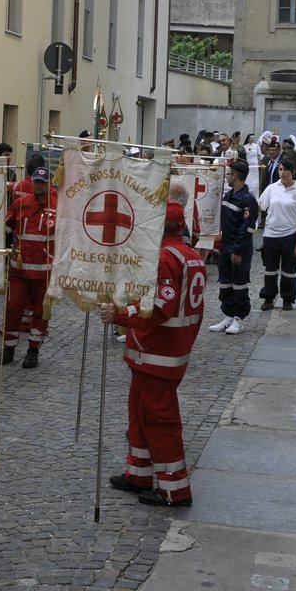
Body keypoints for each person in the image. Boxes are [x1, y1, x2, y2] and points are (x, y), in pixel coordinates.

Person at [99, 202, 206, 507]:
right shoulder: (191, 255)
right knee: (140, 414)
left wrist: (120, 314)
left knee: (160, 422)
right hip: (164, 351)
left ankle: (175, 489)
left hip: (156, 353)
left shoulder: (163, 258)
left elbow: (160, 306)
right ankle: (139, 473)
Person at [0, 166, 56, 369]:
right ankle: (8, 347)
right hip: (19, 270)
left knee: (41, 312)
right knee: (13, 308)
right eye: (36, 182)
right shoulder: (20, 204)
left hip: (44, 271)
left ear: (49, 183)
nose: (39, 185)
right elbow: (4, 228)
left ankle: (33, 350)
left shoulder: (59, 207)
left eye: (43, 182)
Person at [207, 159, 259, 334]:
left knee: (239, 283)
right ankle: (228, 315)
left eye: (229, 174)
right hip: (225, 246)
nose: (227, 177)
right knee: (225, 283)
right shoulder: (228, 196)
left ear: (235, 176)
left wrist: (238, 250)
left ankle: (239, 319)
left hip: (239, 249)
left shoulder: (248, 199)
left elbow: (247, 227)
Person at [256, 157, 296, 311]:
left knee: (289, 271)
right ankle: (269, 297)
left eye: (285, 169)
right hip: (271, 234)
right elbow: (260, 206)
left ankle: (288, 298)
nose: (282, 172)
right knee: (270, 269)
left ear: (291, 172)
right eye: (280, 169)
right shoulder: (272, 188)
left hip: (290, 235)